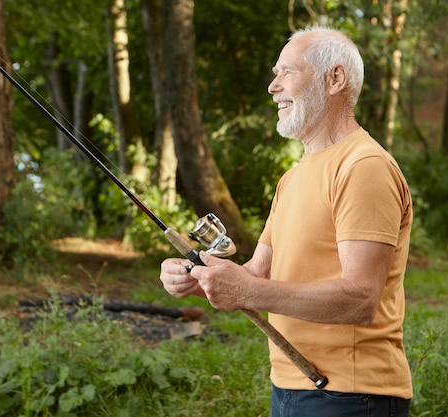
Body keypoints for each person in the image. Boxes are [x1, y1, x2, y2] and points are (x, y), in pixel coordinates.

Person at [160, 27, 413, 417]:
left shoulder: (364, 167)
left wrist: (246, 292)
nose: (273, 86)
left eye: (287, 72)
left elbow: (361, 298)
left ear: (335, 79)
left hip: (352, 395)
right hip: (293, 384)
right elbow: (256, 276)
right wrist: (196, 281)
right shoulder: (291, 179)